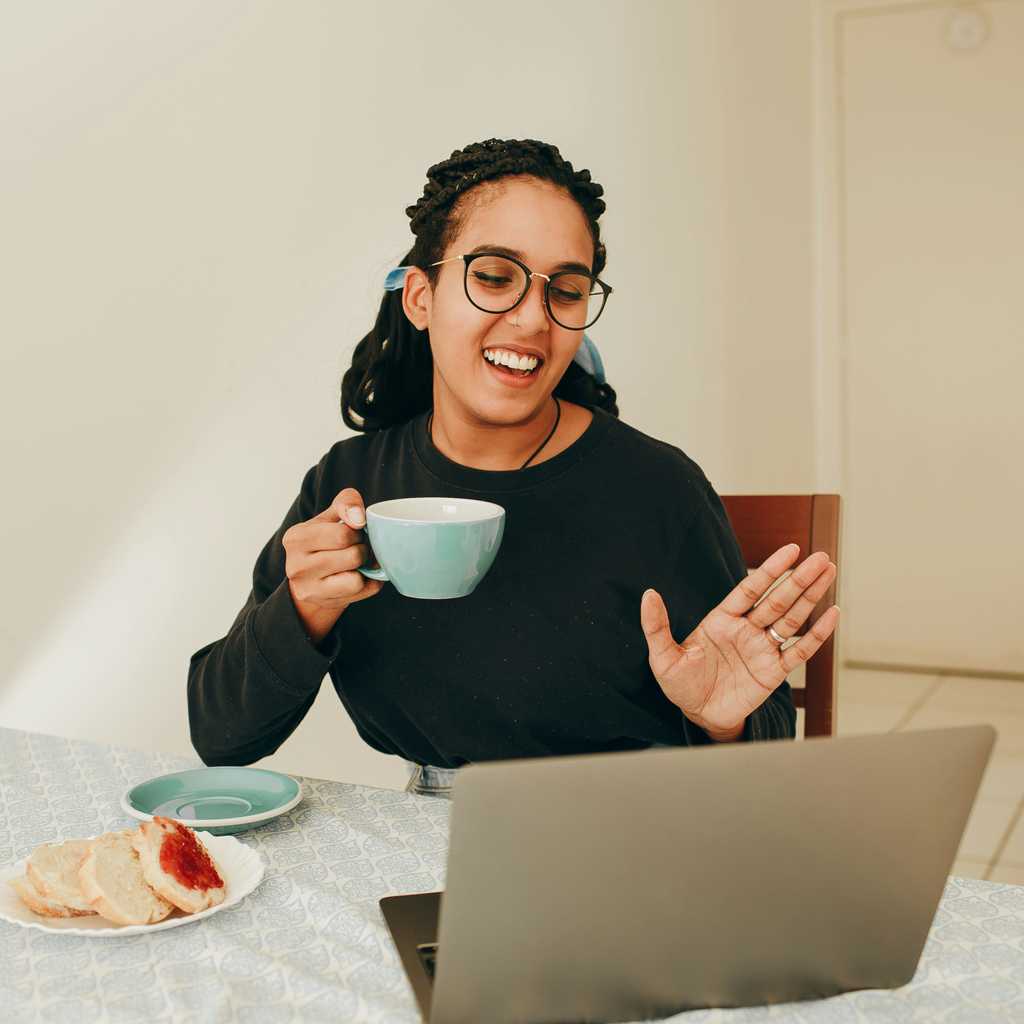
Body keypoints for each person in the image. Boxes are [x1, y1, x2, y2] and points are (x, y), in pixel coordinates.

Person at [187, 137, 839, 799]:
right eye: (496, 277)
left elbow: (761, 741)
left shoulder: (658, 490)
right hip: (428, 829)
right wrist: (300, 611)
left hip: (632, 824)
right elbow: (221, 737)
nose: (532, 319)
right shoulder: (349, 487)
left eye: (567, 290)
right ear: (419, 297)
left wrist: (720, 723)